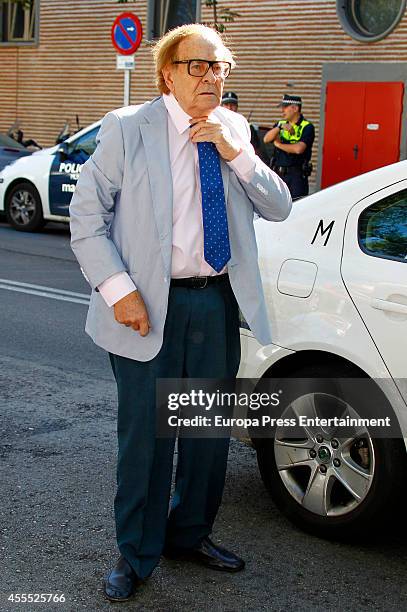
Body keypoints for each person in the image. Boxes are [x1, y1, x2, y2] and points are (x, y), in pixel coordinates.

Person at [69, 23, 292, 603]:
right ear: (168, 71)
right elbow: (85, 219)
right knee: (146, 439)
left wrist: (236, 151)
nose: (212, 77)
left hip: (215, 302)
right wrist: (119, 289)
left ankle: (188, 535)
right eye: (200, 66)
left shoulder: (235, 129)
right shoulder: (127, 130)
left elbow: (279, 206)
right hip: (147, 306)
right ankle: (136, 553)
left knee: (206, 436)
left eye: (221, 68)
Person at [263, 94, 315, 199]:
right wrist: (279, 127)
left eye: (285, 107)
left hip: (296, 176)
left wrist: (278, 144)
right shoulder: (280, 123)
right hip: (279, 174)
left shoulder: (307, 126)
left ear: (295, 108)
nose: (282, 110)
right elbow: (266, 139)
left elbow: (298, 149)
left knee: (297, 206)